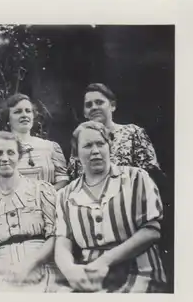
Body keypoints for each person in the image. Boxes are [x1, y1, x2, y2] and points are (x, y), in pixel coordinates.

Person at [54, 121, 167, 293]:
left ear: (110, 146)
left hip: (138, 270)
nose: (96, 151)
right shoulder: (66, 194)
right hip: (89, 274)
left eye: (101, 143)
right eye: (88, 146)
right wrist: (70, 270)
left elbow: (152, 230)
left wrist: (105, 260)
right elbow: (63, 241)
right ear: (76, 154)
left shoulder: (136, 178)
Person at [0, 131, 61, 292]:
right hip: (2, 274)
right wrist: (12, 271)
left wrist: (29, 265)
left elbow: (55, 236)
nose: (5, 158)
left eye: (11, 152)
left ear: (20, 156)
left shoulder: (41, 190)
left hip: (42, 266)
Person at [67, 83, 163, 181]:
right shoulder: (80, 141)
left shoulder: (133, 133)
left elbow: (151, 176)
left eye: (99, 102)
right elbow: (72, 180)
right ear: (85, 113)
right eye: (88, 105)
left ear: (112, 106)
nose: (94, 107)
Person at [0, 93, 68, 191]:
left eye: (28, 111)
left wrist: (45, 195)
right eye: (18, 112)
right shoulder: (0, 149)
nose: (24, 115)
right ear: (8, 119)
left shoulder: (50, 147)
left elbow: (63, 179)